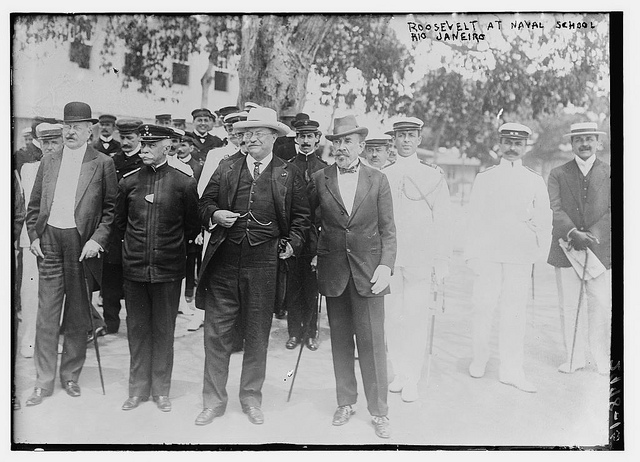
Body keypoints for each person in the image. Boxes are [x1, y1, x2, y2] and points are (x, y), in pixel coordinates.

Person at [195, 107, 310, 426]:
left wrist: (291, 245)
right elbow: (204, 204)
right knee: (216, 333)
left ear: (274, 137)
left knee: (258, 333)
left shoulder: (289, 173)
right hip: (224, 262)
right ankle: (213, 401)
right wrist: (215, 215)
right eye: (248, 132)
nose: (253, 138)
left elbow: (302, 219)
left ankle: (250, 397)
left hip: (264, 264)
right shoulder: (226, 166)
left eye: (261, 132)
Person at [307, 115, 396, 439]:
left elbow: (388, 230)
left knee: (372, 344)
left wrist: (385, 267)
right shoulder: (320, 178)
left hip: (370, 275)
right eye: (337, 142)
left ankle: (379, 410)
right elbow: (307, 220)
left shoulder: (378, 179)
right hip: (334, 274)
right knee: (341, 342)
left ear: (361, 145)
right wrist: (315, 250)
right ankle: (345, 401)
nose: (342, 147)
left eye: (348, 142)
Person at [24, 101, 117, 406]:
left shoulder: (102, 163)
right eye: (67, 126)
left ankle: (70, 376)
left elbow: (109, 211)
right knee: (47, 314)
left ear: (90, 130)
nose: (70, 132)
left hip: (82, 245)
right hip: (50, 240)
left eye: (77, 126)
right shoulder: (49, 160)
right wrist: (35, 235)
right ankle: (43, 380)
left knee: (78, 315)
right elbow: (34, 203)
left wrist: (97, 240)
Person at [115, 124, 199, 412]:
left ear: (168, 146)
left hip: (168, 270)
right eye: (144, 143)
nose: (146, 148)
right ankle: (137, 390)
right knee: (137, 331)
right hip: (135, 269)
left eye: (152, 143)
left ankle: (161, 390)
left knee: (164, 331)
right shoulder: (128, 182)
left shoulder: (183, 182)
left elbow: (191, 225)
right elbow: (120, 224)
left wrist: (170, 251)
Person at [465, 122, 551, 393]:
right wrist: (472, 256)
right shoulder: (485, 178)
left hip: (519, 254)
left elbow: (544, 219)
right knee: (482, 307)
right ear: (499, 144)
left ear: (525, 146)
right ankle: (480, 357)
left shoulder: (534, 180)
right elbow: (473, 219)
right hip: (489, 254)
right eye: (508, 142)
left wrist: (538, 252)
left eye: (518, 143)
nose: (512, 148)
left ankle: (512, 370)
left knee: (514, 312)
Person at [382, 117, 452, 402]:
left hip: (420, 258)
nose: (406, 141)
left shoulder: (432, 176)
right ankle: (399, 372)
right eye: (401, 136)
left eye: (411, 135)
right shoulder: (382, 175)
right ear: (394, 140)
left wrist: (441, 261)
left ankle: (412, 376)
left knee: (415, 317)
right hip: (390, 259)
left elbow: (443, 220)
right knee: (392, 317)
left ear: (419, 139)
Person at [547, 122, 611, 375]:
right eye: (579, 139)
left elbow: (614, 211)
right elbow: (554, 207)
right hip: (567, 247)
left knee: (601, 304)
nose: (584, 143)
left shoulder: (610, 172)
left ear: (598, 142)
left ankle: (601, 358)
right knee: (570, 304)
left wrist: (593, 234)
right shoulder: (558, 173)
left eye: (589, 138)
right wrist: (573, 232)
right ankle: (574, 358)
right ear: (572, 144)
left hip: (600, 249)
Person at [283, 113, 327, 350]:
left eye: (310, 136)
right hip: (294, 235)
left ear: (317, 139)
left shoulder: (326, 170)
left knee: (312, 286)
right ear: (295, 140)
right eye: (301, 136)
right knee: (293, 284)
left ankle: (310, 332)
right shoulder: (287, 167)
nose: (306, 141)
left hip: (316, 237)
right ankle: (293, 332)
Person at [101, 119, 144, 335]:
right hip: (114, 227)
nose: (125, 142)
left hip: (136, 227)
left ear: (139, 137)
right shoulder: (111, 161)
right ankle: (110, 322)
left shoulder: (145, 161)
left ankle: (137, 324)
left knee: (134, 279)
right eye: (123, 137)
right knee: (110, 276)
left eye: (130, 138)